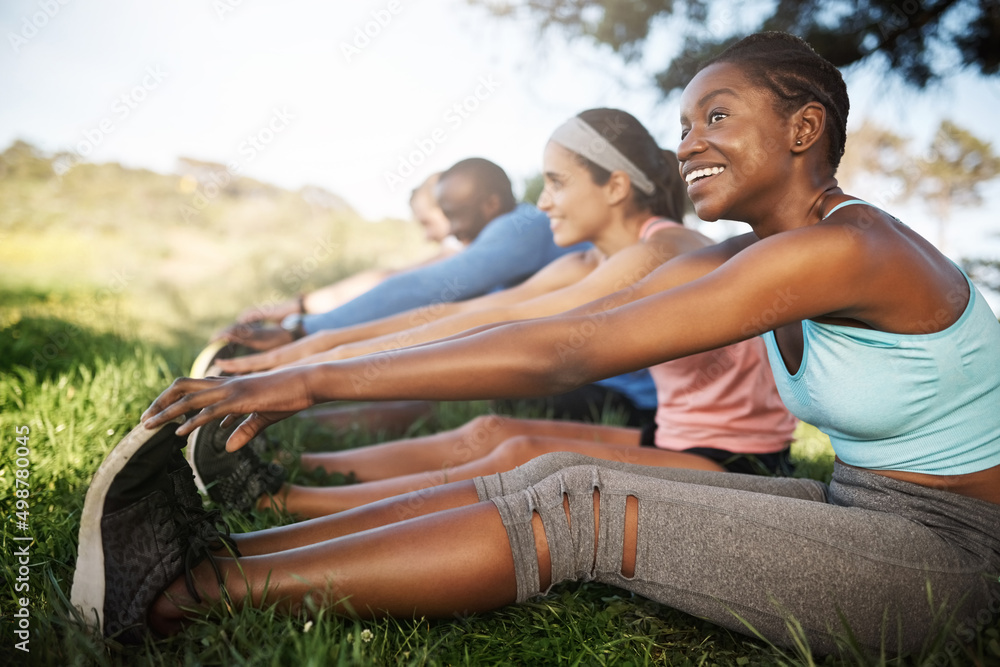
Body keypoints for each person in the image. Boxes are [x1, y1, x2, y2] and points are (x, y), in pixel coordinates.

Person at [73, 33, 1000, 655]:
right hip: (860, 504)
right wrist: (298, 359)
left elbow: (571, 355)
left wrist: (306, 380)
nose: (689, 145)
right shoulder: (757, 255)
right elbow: (542, 326)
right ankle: (233, 547)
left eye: (716, 117)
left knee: (576, 504)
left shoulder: (847, 248)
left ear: (805, 129)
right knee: (525, 471)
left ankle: (178, 593)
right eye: (682, 126)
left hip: (948, 556)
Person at [186, 108, 795, 518]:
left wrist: (311, 380)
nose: (542, 201)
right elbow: (469, 315)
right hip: (675, 435)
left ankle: (279, 500)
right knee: (492, 433)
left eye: (556, 182)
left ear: (614, 187)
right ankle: (281, 470)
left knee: (516, 455)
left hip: (737, 462)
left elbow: (535, 344)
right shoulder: (595, 260)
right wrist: (290, 358)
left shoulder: (661, 252)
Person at [216, 158, 590, 352]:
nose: (452, 228)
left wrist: (303, 329)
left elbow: (422, 288)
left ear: (491, 204)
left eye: (455, 216)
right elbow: (398, 279)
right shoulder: (506, 231)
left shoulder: (516, 230)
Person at [228, 173, 463, 328]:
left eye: (427, 223)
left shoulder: (462, 252)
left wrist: (298, 309)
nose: (426, 237)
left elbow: (391, 278)